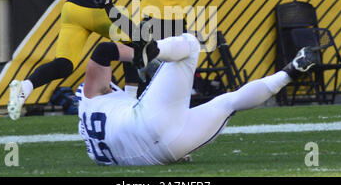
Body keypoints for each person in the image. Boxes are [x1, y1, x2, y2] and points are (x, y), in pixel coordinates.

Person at [76, 33, 317, 166]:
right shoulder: (94, 95)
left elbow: (129, 94)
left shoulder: (92, 142)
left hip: (163, 153)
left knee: (227, 104)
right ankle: (154, 49)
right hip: (145, 124)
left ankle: (290, 71)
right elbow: (104, 51)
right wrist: (145, 56)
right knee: (191, 46)